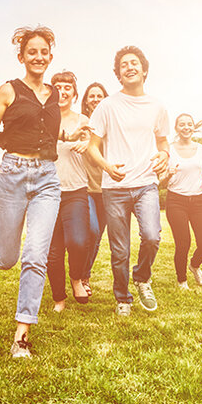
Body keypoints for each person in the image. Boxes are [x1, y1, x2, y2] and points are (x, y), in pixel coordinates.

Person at [0, 25, 64, 358]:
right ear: (22, 57)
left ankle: (21, 335)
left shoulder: (55, 95)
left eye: (44, 52)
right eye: (31, 52)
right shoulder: (8, 91)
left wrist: (76, 135)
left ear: (50, 57)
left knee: (36, 255)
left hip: (48, 180)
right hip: (12, 176)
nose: (38, 57)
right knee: (8, 258)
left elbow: (50, 131)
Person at [84, 46, 171, 317]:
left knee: (152, 236)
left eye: (134, 63)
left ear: (144, 70)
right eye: (123, 65)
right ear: (118, 74)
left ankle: (142, 276)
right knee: (119, 250)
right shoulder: (107, 106)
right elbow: (92, 146)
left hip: (146, 183)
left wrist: (165, 155)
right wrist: (107, 166)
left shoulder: (157, 106)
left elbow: (163, 141)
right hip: (115, 189)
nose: (129, 67)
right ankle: (123, 297)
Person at [46, 71, 92, 312]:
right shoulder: (43, 119)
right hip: (47, 193)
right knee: (52, 253)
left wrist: (88, 143)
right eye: (57, 87)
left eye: (67, 87)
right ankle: (59, 298)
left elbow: (93, 147)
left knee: (78, 241)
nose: (62, 91)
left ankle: (76, 277)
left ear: (74, 93)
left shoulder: (83, 120)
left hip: (75, 190)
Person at [164, 114, 202, 290]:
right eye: (182, 124)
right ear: (177, 128)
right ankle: (182, 280)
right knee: (183, 243)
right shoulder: (169, 151)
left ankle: (194, 265)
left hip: (200, 200)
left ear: (193, 127)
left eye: (189, 124)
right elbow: (160, 181)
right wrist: (168, 174)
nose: (186, 127)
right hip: (176, 200)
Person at [80, 82, 109, 295]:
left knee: (97, 238)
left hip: (107, 189)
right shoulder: (82, 124)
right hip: (85, 188)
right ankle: (79, 274)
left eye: (100, 95)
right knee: (92, 230)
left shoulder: (112, 125)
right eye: (92, 96)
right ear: (86, 100)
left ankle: (84, 276)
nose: (96, 99)